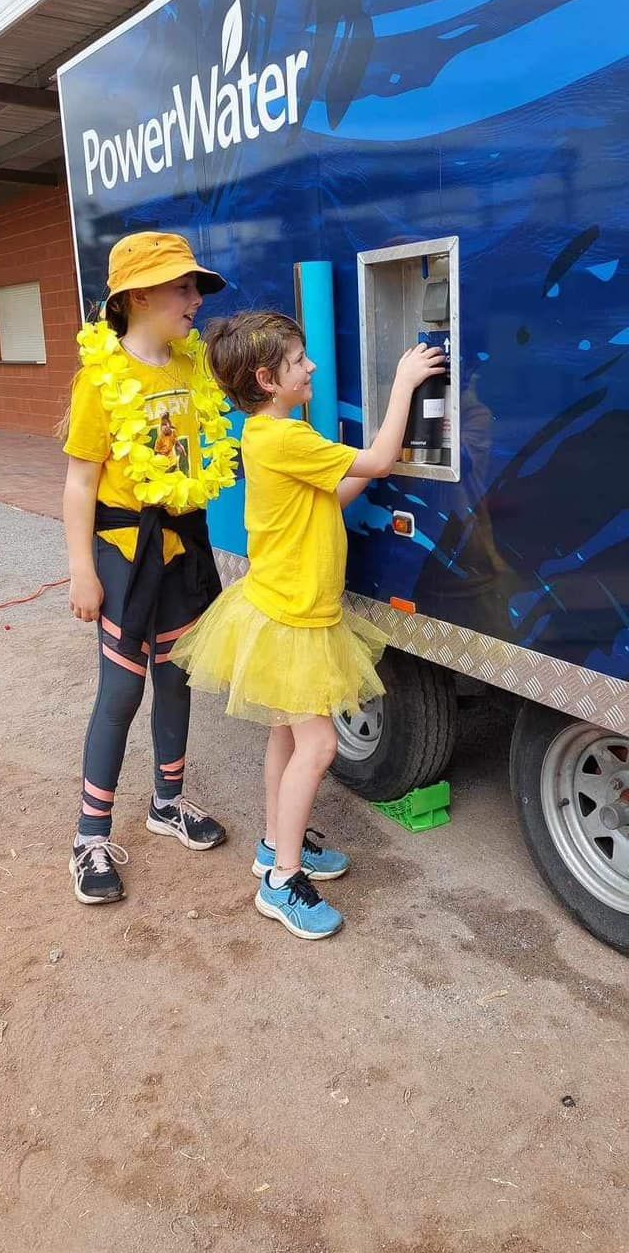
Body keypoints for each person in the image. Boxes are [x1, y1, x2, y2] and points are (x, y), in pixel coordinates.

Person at [172, 311, 445, 940]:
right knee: (319, 746)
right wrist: (403, 383)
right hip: (290, 618)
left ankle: (275, 845)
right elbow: (376, 461)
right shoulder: (284, 438)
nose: (312, 365)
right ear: (269, 379)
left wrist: (353, 479)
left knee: (288, 738)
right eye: (299, 360)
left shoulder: (270, 436)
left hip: (286, 610)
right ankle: (280, 881)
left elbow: (329, 496)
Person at [62, 231, 238, 905]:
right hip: (124, 547)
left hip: (182, 542)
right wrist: (82, 568)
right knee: (121, 689)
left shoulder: (191, 368)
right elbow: (81, 482)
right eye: (183, 287)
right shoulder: (102, 381)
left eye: (195, 287)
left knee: (177, 676)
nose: (196, 300)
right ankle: (89, 835)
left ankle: (168, 801)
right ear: (138, 296)